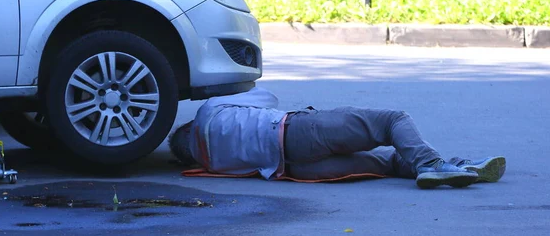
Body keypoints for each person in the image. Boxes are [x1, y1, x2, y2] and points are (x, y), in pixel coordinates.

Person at [169, 87, 506, 189]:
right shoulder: (211, 110)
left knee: (386, 162)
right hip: (296, 132)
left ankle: (457, 167)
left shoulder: (210, 164)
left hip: (298, 172)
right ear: (188, 128)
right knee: (392, 121)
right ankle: (436, 164)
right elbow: (267, 98)